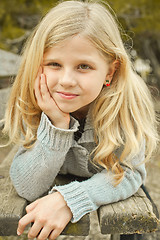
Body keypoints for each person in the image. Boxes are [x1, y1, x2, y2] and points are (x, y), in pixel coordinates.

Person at [2, 0, 158, 239]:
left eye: (83, 66)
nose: (66, 80)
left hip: (109, 173)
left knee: (138, 221)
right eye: (54, 64)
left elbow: (129, 173)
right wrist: (56, 125)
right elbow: (27, 186)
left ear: (110, 71)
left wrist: (69, 199)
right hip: (51, 169)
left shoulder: (126, 103)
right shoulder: (36, 99)